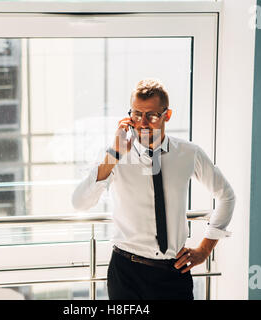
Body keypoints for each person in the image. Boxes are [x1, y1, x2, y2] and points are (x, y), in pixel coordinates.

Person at [72, 78, 235, 300]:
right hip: (126, 274)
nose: (143, 122)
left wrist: (205, 248)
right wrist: (114, 155)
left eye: (152, 115)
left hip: (173, 273)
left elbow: (226, 195)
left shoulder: (188, 153)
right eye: (136, 114)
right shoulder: (114, 155)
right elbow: (79, 203)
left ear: (167, 115)